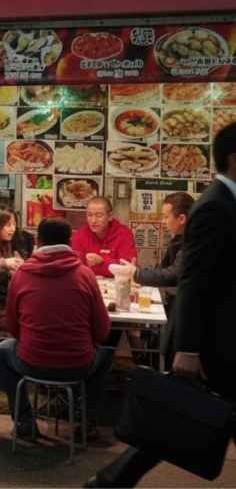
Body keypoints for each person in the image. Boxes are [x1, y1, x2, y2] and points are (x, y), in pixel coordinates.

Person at [86, 124, 236, 488]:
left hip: (222, 339)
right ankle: (109, 481)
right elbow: (193, 281)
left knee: (173, 421)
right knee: (172, 420)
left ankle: (109, 481)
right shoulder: (214, 205)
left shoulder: (223, 202)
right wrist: (187, 347)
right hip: (214, 343)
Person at [0, 217, 112, 439]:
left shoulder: (22, 274)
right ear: (70, 241)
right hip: (78, 365)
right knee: (105, 354)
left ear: (38, 240)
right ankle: (86, 421)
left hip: (31, 363)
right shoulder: (85, 275)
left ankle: (24, 421)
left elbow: (11, 327)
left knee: (2, 351)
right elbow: (103, 331)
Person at [121, 192, 195, 366]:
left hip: (188, 307)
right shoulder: (179, 238)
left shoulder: (192, 241)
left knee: (174, 355)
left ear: (182, 218)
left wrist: (136, 274)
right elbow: (163, 270)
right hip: (178, 302)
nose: (163, 221)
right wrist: (140, 275)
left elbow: (173, 275)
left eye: (166, 217)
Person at [71, 197, 137, 278]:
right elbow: (75, 267)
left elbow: (127, 268)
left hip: (118, 283)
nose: (93, 220)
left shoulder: (124, 234)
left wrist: (102, 261)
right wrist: (111, 265)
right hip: (90, 283)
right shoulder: (80, 235)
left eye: (99, 215)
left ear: (110, 216)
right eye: (89, 215)